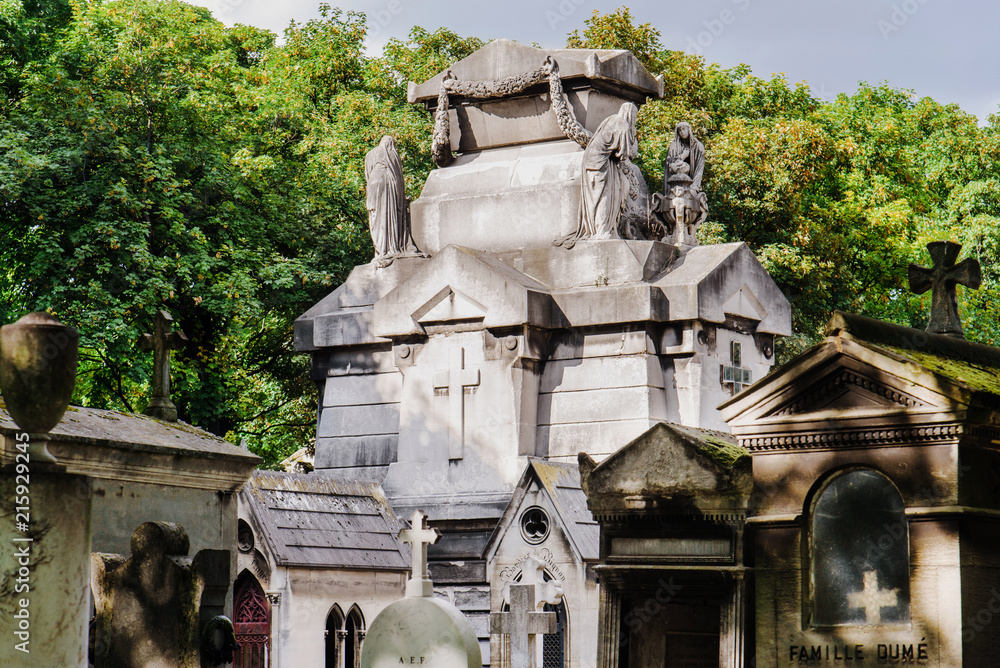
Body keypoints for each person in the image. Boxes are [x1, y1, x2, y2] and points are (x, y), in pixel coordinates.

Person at [556, 103, 639, 247]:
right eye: (635, 116)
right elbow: (625, 154)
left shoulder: (612, 119)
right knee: (603, 197)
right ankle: (602, 231)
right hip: (599, 165)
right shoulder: (622, 125)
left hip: (597, 162)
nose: (635, 119)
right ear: (631, 115)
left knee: (608, 195)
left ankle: (606, 229)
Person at [365, 136, 412, 267]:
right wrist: (401, 199)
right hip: (388, 189)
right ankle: (388, 248)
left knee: (375, 218)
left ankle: (380, 249)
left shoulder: (371, 153)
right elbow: (398, 179)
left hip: (373, 189)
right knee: (387, 218)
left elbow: (367, 174)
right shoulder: (392, 154)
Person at [664, 121, 704, 191]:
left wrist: (694, 186)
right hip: (675, 182)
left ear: (688, 129)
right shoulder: (674, 146)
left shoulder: (698, 146)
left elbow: (699, 168)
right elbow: (669, 165)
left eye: (683, 129)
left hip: (692, 182)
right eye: (679, 130)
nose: (682, 132)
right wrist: (683, 156)